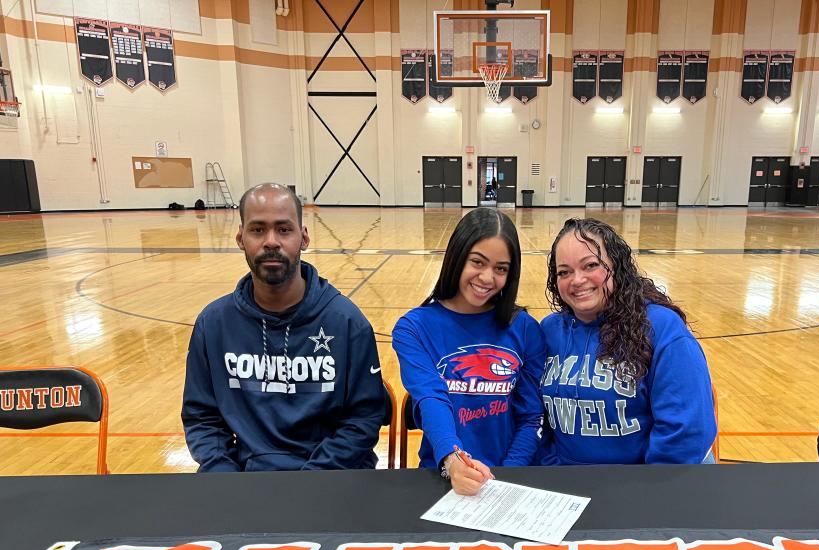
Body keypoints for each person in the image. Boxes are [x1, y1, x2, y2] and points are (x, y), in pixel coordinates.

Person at [182, 183, 386, 472]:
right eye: (257, 230)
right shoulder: (213, 324)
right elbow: (202, 417)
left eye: (284, 229)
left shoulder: (347, 322)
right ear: (240, 238)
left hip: (332, 478)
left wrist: (308, 483)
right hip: (245, 480)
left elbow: (363, 419)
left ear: (303, 237)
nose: (271, 241)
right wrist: (224, 477)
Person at [393, 207, 546, 495]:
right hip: (442, 476)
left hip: (511, 480)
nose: (487, 278)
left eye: (501, 269)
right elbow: (431, 398)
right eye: (478, 262)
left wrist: (505, 476)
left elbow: (531, 417)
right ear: (457, 257)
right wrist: (453, 461)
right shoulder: (413, 328)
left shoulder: (525, 328)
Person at [539, 218, 716, 465]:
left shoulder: (661, 328)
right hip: (567, 486)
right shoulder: (549, 330)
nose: (576, 280)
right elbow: (537, 422)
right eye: (564, 272)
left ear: (617, 267)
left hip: (647, 486)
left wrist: (644, 495)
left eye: (590, 265)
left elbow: (685, 432)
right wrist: (552, 473)